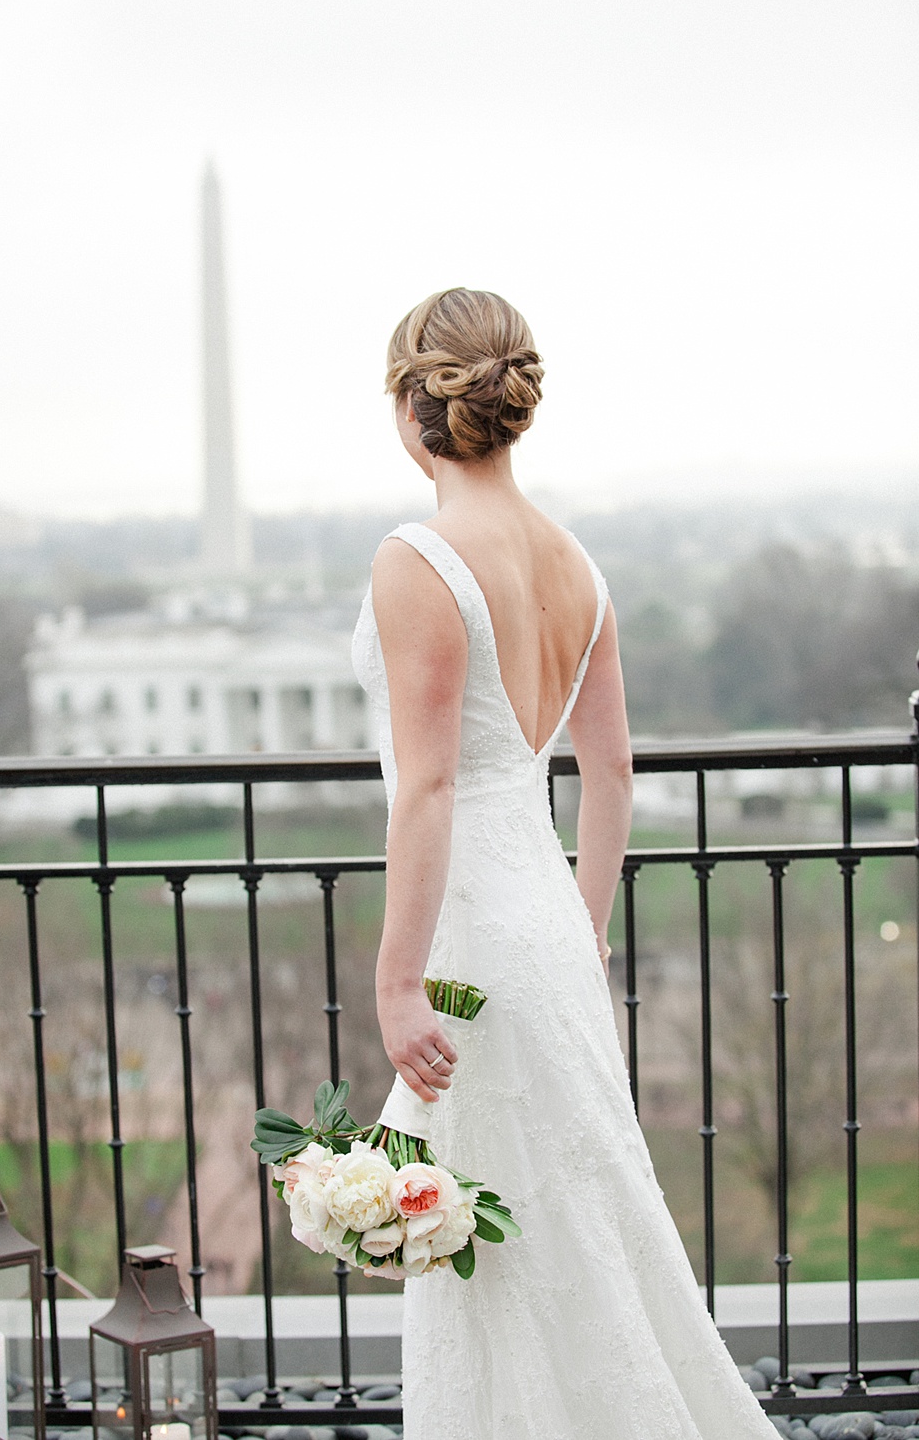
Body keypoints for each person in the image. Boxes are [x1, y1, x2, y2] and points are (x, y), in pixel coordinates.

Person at [351, 288, 778, 1438]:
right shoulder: (573, 559)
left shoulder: (417, 559)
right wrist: (584, 927)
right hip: (542, 917)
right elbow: (612, 772)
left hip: (477, 926)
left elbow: (429, 790)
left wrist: (397, 985)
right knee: (567, 1206)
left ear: (413, 404)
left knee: (503, 1220)